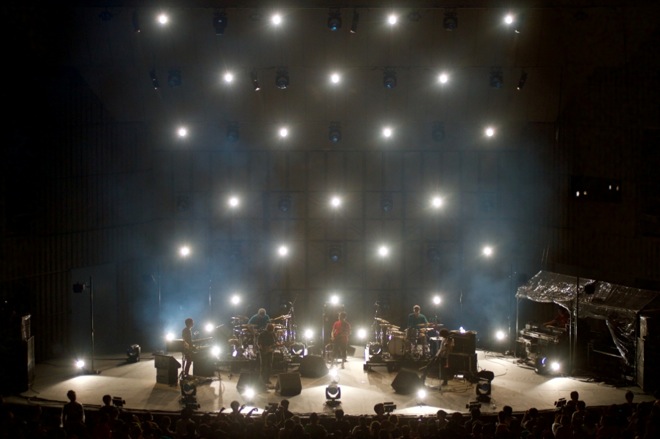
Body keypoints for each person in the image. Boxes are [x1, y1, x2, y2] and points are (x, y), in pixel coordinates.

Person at [257, 323, 279, 388]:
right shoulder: (262, 334)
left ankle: (267, 379)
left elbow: (276, 341)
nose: (272, 331)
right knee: (264, 365)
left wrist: (278, 344)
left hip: (270, 351)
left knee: (269, 365)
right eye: (271, 330)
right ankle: (262, 380)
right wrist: (263, 349)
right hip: (263, 351)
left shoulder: (273, 334)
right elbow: (259, 343)